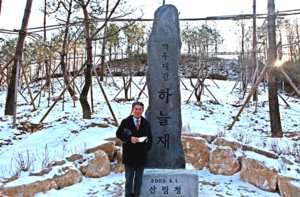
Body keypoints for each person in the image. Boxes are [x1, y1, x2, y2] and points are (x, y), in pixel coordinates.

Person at [116, 101, 152, 197]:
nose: (138, 111)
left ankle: (137, 195)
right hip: (129, 155)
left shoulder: (145, 123)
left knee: (139, 180)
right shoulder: (125, 122)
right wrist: (129, 138)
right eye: (136, 109)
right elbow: (118, 134)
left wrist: (147, 147)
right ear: (132, 110)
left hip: (141, 155)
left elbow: (150, 137)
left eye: (140, 109)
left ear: (142, 111)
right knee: (129, 179)